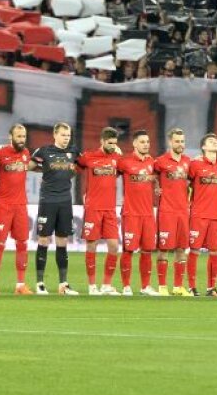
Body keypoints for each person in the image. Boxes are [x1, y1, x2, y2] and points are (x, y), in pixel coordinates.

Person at [31, 122, 81, 295]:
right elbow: (29, 166)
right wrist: (46, 170)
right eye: (63, 135)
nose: (66, 138)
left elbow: (80, 166)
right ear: (55, 135)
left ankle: (63, 285)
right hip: (48, 200)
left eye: (68, 135)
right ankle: (40, 283)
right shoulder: (44, 151)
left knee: (62, 241)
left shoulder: (74, 152)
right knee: (44, 240)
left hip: (65, 201)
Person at [77, 127, 123, 295]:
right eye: (110, 143)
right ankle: (92, 286)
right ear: (102, 141)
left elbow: (122, 172)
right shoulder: (88, 157)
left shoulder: (117, 159)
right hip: (93, 208)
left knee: (113, 246)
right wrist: (85, 193)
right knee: (92, 246)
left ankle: (106, 285)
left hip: (110, 209)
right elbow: (76, 168)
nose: (112, 146)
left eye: (115, 143)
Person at [0, 124, 36, 295]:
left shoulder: (26, 154)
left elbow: (34, 165)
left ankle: (20, 285)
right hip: (3, 205)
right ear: (10, 136)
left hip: (20, 206)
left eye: (23, 136)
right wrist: (0, 190)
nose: (21, 140)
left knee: (22, 244)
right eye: (18, 136)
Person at [117, 129, 157, 297]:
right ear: (134, 144)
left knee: (147, 251)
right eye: (142, 142)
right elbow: (107, 171)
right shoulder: (124, 162)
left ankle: (145, 286)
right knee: (129, 250)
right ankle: (126, 286)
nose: (146, 145)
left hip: (148, 214)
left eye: (147, 142)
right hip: (131, 214)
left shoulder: (152, 162)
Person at [153, 127, 193, 297]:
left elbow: (192, 181)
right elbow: (151, 175)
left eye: (182, 141)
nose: (180, 144)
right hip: (167, 211)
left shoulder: (188, 162)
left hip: (183, 211)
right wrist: (156, 187)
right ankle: (162, 286)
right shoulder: (160, 161)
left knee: (181, 248)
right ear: (170, 142)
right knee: (164, 248)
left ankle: (178, 287)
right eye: (177, 141)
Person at [190, 134, 217, 296]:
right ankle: (192, 287)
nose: (215, 142)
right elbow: (184, 181)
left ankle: (210, 287)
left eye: (216, 141)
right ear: (203, 147)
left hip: (215, 216)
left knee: (215, 252)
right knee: (195, 251)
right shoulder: (195, 164)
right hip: (199, 214)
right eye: (211, 141)